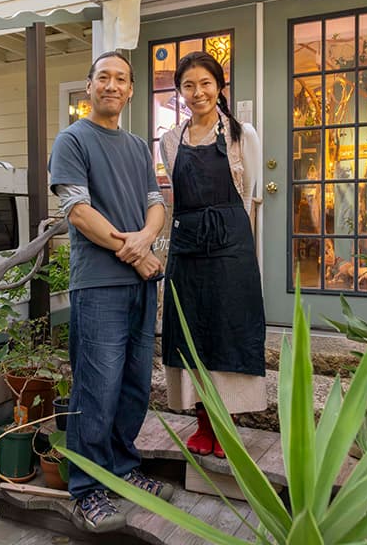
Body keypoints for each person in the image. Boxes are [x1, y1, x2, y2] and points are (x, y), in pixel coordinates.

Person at [48, 51, 175, 534]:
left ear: (130, 90)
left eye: (121, 79)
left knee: (134, 384)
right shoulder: (73, 139)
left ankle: (122, 468)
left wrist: (144, 242)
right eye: (104, 77)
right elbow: (78, 211)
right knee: (95, 389)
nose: (112, 85)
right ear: (89, 86)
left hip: (140, 284)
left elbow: (156, 203)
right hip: (99, 285)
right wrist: (137, 251)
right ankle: (86, 487)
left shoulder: (138, 146)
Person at [159, 51, 267, 459]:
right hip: (187, 250)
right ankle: (203, 423)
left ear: (220, 86)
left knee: (229, 333)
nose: (197, 92)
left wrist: (245, 256)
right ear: (181, 92)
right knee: (193, 335)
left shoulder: (243, 134)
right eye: (188, 85)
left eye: (205, 83)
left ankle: (227, 425)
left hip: (230, 250)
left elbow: (250, 197)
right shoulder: (171, 141)